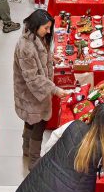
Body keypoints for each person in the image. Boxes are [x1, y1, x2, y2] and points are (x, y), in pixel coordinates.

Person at [9, 103, 104, 192]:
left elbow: (54, 136)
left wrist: (51, 158)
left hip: (49, 177)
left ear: (94, 114)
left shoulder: (75, 125)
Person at [13, 9, 70, 168]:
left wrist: (51, 56)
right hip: (32, 93)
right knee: (39, 123)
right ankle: (34, 161)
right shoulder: (26, 47)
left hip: (32, 92)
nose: (48, 31)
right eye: (45, 28)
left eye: (49, 27)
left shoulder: (35, 37)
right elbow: (32, 78)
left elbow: (42, 54)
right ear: (35, 26)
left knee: (30, 121)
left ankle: (26, 149)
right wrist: (55, 89)